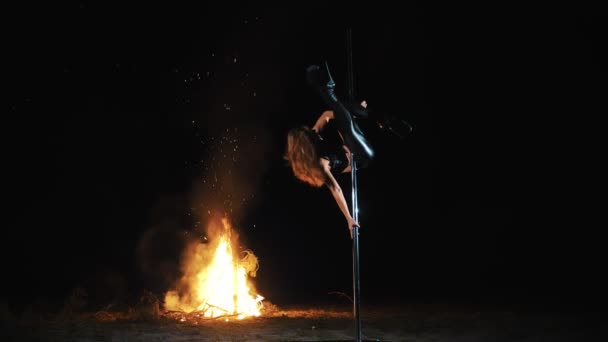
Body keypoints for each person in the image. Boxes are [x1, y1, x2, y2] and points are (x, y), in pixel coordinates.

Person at [284, 61, 375, 238]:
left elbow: (326, 116)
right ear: (307, 149)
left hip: (352, 140)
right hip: (362, 156)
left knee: (341, 116)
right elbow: (336, 190)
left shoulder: (313, 134)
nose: (316, 134)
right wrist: (349, 218)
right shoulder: (320, 165)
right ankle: (330, 93)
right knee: (344, 119)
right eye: (312, 137)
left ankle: (347, 104)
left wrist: (347, 112)